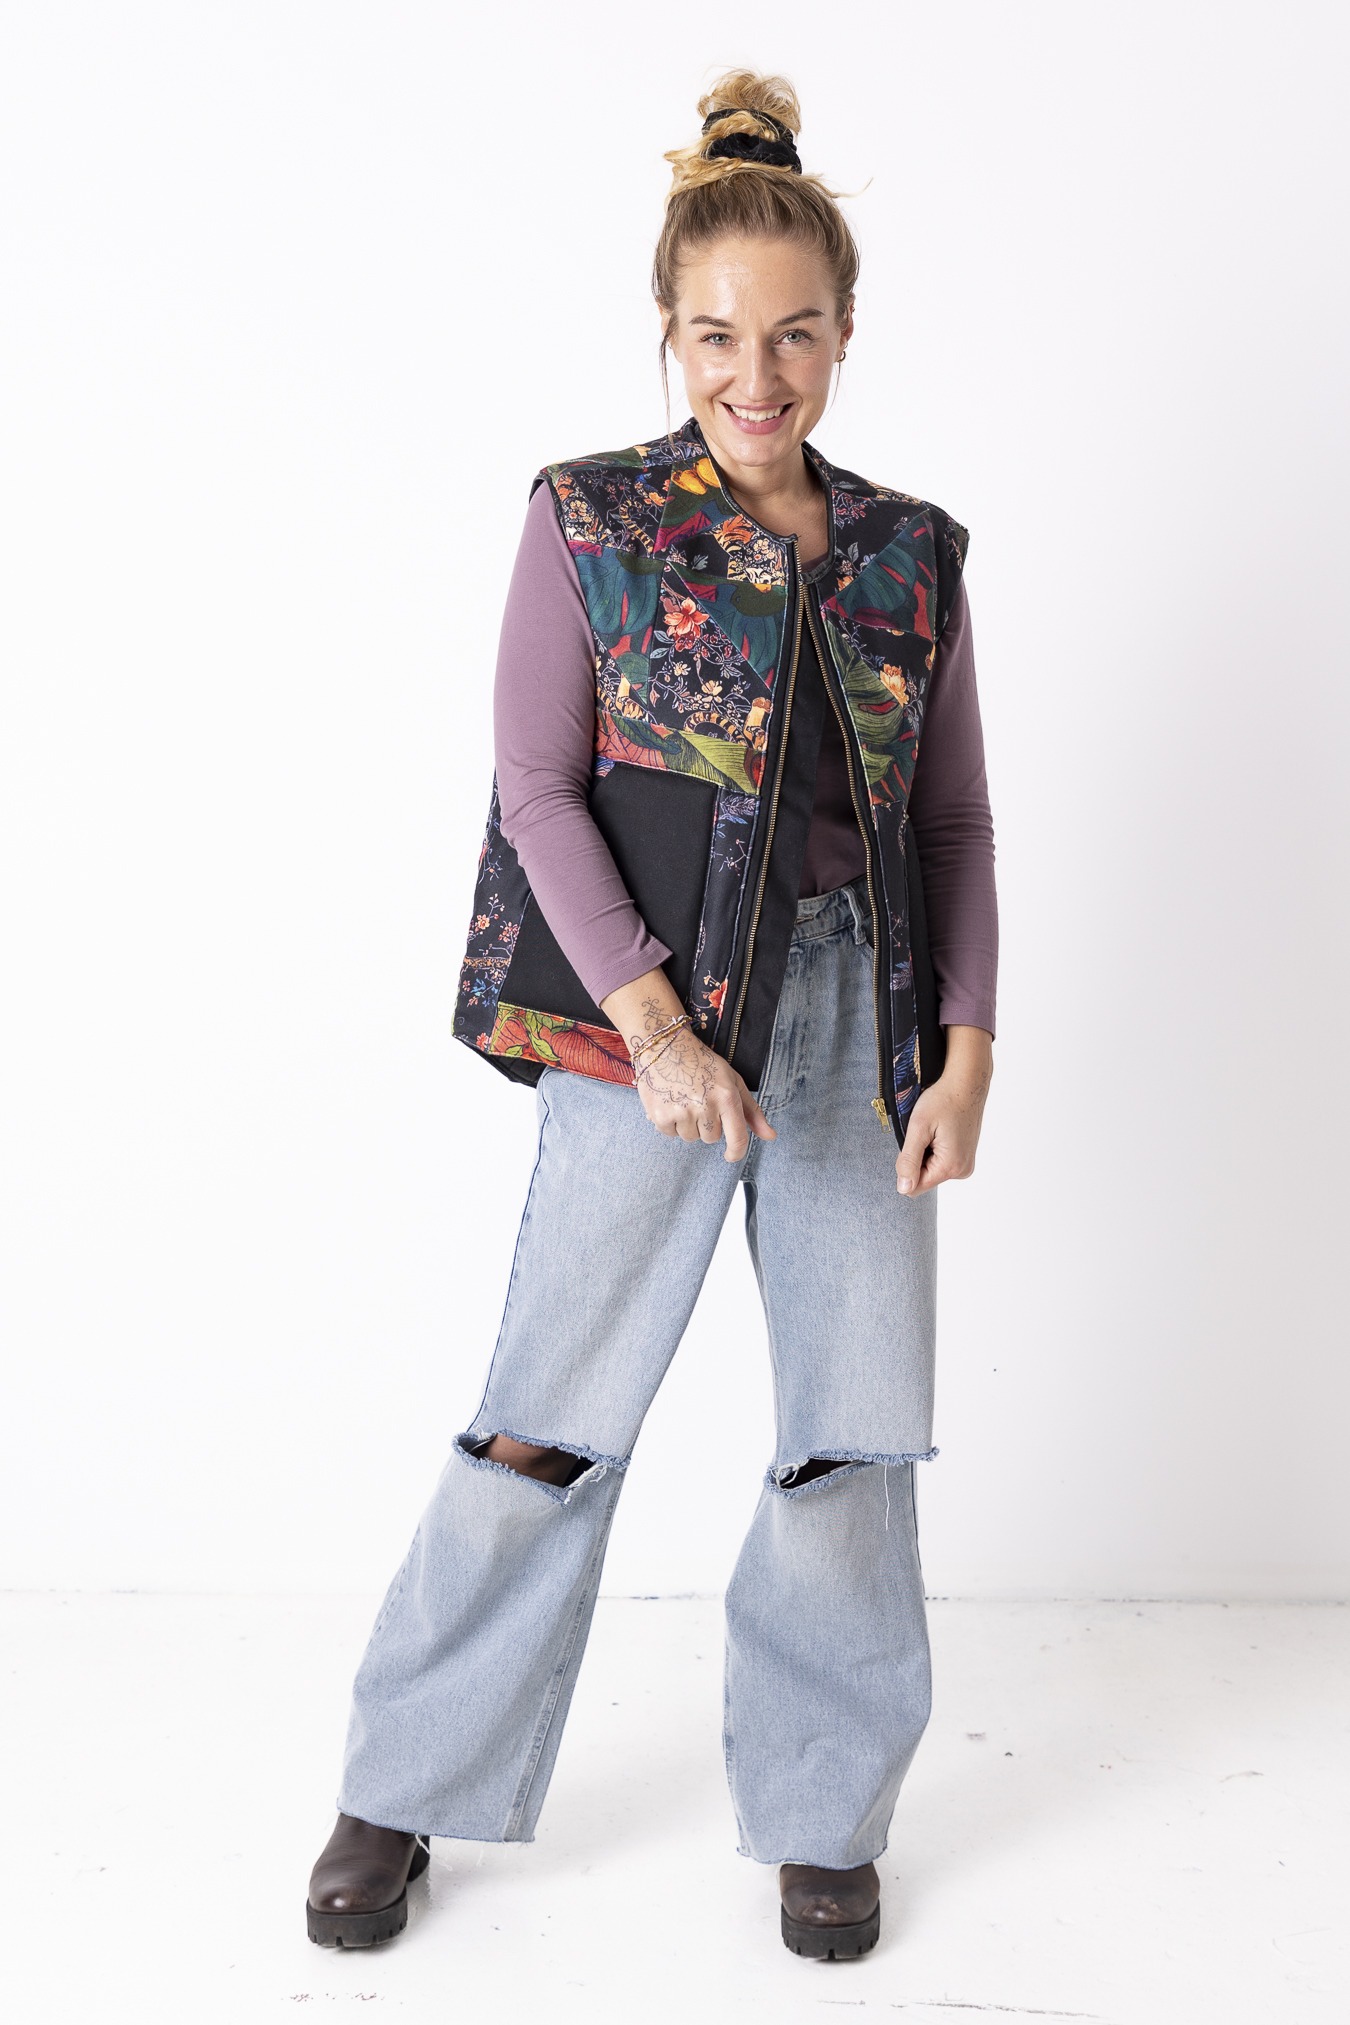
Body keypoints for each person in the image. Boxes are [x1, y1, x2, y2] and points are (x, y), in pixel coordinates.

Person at [306, 68, 997, 1962]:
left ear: (841, 333)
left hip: (859, 1028)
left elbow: (950, 820)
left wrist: (967, 1045)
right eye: (716, 335)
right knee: (546, 1416)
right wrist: (660, 1031)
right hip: (644, 1024)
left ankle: (825, 1812)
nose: (754, 375)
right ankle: (401, 1782)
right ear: (669, 330)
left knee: (851, 1436)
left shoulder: (911, 553)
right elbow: (538, 791)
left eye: (792, 335)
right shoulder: (589, 519)